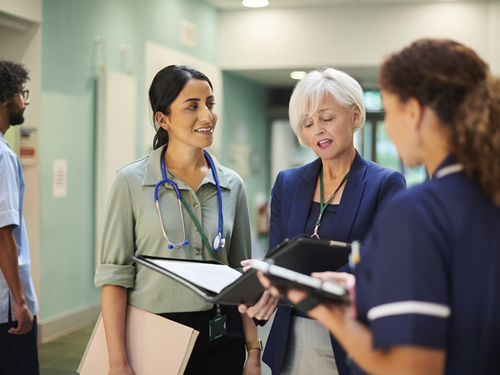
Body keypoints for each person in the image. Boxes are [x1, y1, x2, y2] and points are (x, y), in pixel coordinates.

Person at [273, 38, 500, 375]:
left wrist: (326, 310)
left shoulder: (420, 210)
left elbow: (412, 367)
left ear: (414, 112)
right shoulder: (485, 194)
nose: (388, 127)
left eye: (390, 111)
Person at [94, 65, 262, 375]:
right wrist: (117, 361)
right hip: (156, 332)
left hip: (222, 333)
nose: (207, 116)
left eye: (210, 103)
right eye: (192, 106)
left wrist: (253, 350)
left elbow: (241, 275)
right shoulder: (131, 182)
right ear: (163, 118)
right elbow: (114, 278)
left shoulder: (232, 185)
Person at [240, 67, 406, 375]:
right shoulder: (288, 183)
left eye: (327, 118)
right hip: (291, 338)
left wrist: (303, 283)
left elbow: (382, 265)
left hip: (351, 336)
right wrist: (264, 285)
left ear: (355, 116)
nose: (318, 130)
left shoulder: (385, 184)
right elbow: (278, 258)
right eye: (308, 123)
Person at [0, 60, 40, 374]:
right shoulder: (3, 156)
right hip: (6, 307)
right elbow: (3, 232)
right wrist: (19, 300)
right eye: (21, 93)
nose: (25, 101)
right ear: (6, 98)